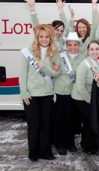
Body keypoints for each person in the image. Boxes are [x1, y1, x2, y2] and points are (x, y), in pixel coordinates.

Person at [19, 24, 60, 162]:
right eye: (41, 37)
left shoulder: (54, 53)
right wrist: (24, 93)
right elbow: (22, 74)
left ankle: (46, 152)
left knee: (46, 124)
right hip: (32, 95)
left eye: (46, 37)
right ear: (37, 38)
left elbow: (56, 72)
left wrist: (46, 67)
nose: (44, 39)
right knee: (34, 125)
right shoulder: (29, 52)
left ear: (50, 38)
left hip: (47, 94)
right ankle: (34, 153)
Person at [53, 32, 84, 155]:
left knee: (71, 120)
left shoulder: (82, 58)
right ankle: (60, 144)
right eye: (70, 45)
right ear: (66, 45)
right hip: (59, 92)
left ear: (78, 45)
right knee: (59, 120)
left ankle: (70, 142)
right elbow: (54, 72)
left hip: (73, 94)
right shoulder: (60, 56)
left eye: (75, 45)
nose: (72, 47)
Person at [71, 40, 99, 153]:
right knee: (90, 119)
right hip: (80, 97)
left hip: (90, 97)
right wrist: (91, 102)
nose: (94, 51)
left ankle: (90, 144)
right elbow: (80, 87)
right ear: (88, 51)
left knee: (91, 121)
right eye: (92, 49)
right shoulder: (84, 65)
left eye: (97, 49)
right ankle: (87, 145)